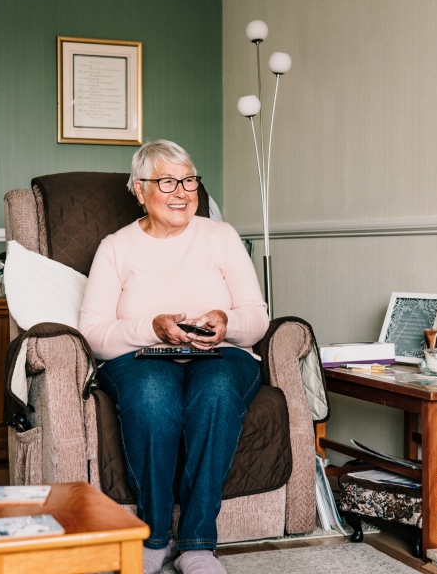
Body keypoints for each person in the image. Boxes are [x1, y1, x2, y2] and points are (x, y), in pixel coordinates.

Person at [79, 140, 269, 574]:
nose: (181, 191)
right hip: (141, 358)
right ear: (139, 190)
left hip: (220, 354)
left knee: (217, 392)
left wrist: (226, 322)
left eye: (189, 180)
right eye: (167, 181)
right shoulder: (115, 247)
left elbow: (256, 318)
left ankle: (198, 544)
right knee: (151, 395)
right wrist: (151, 327)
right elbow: (92, 335)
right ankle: (155, 537)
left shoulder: (221, 237)